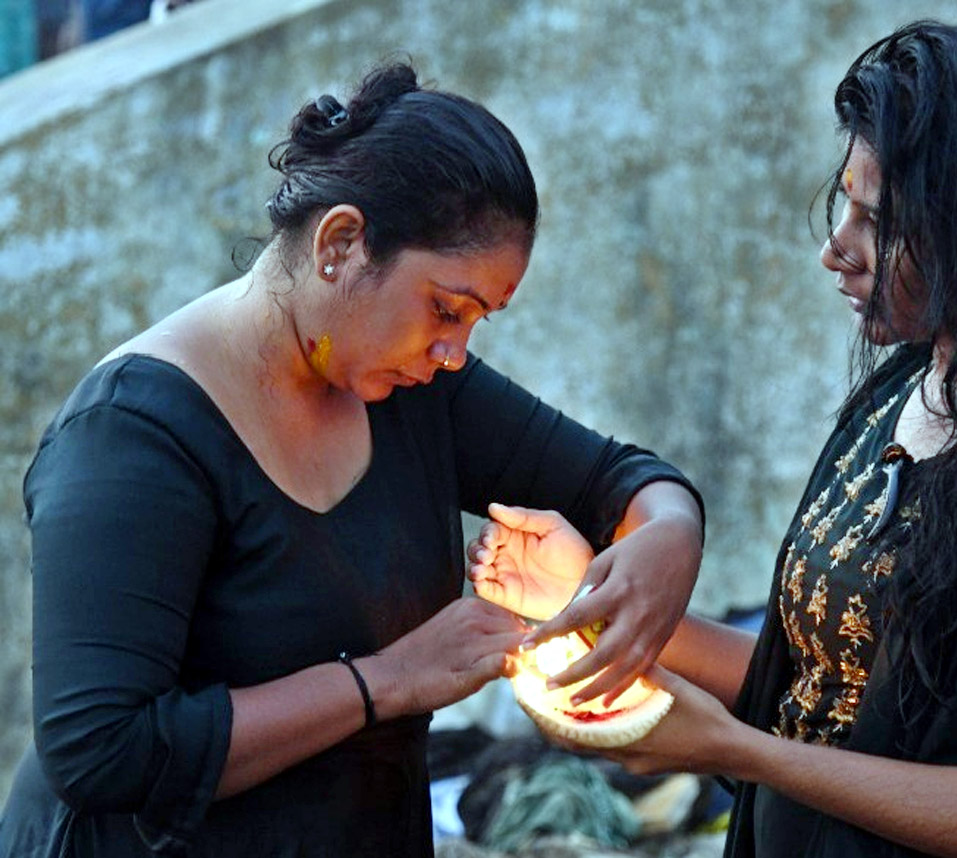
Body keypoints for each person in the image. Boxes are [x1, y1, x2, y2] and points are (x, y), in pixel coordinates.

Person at [469, 20, 957, 857]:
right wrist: (596, 604)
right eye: (843, 202)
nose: (835, 250)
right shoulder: (907, 386)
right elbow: (819, 683)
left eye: (875, 219)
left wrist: (739, 750)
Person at [0, 60, 704, 857]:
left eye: (478, 321)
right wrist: (388, 679)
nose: (452, 352)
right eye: (446, 308)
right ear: (340, 242)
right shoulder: (133, 435)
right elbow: (102, 749)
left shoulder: (417, 389)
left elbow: (619, 477)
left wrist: (669, 536)